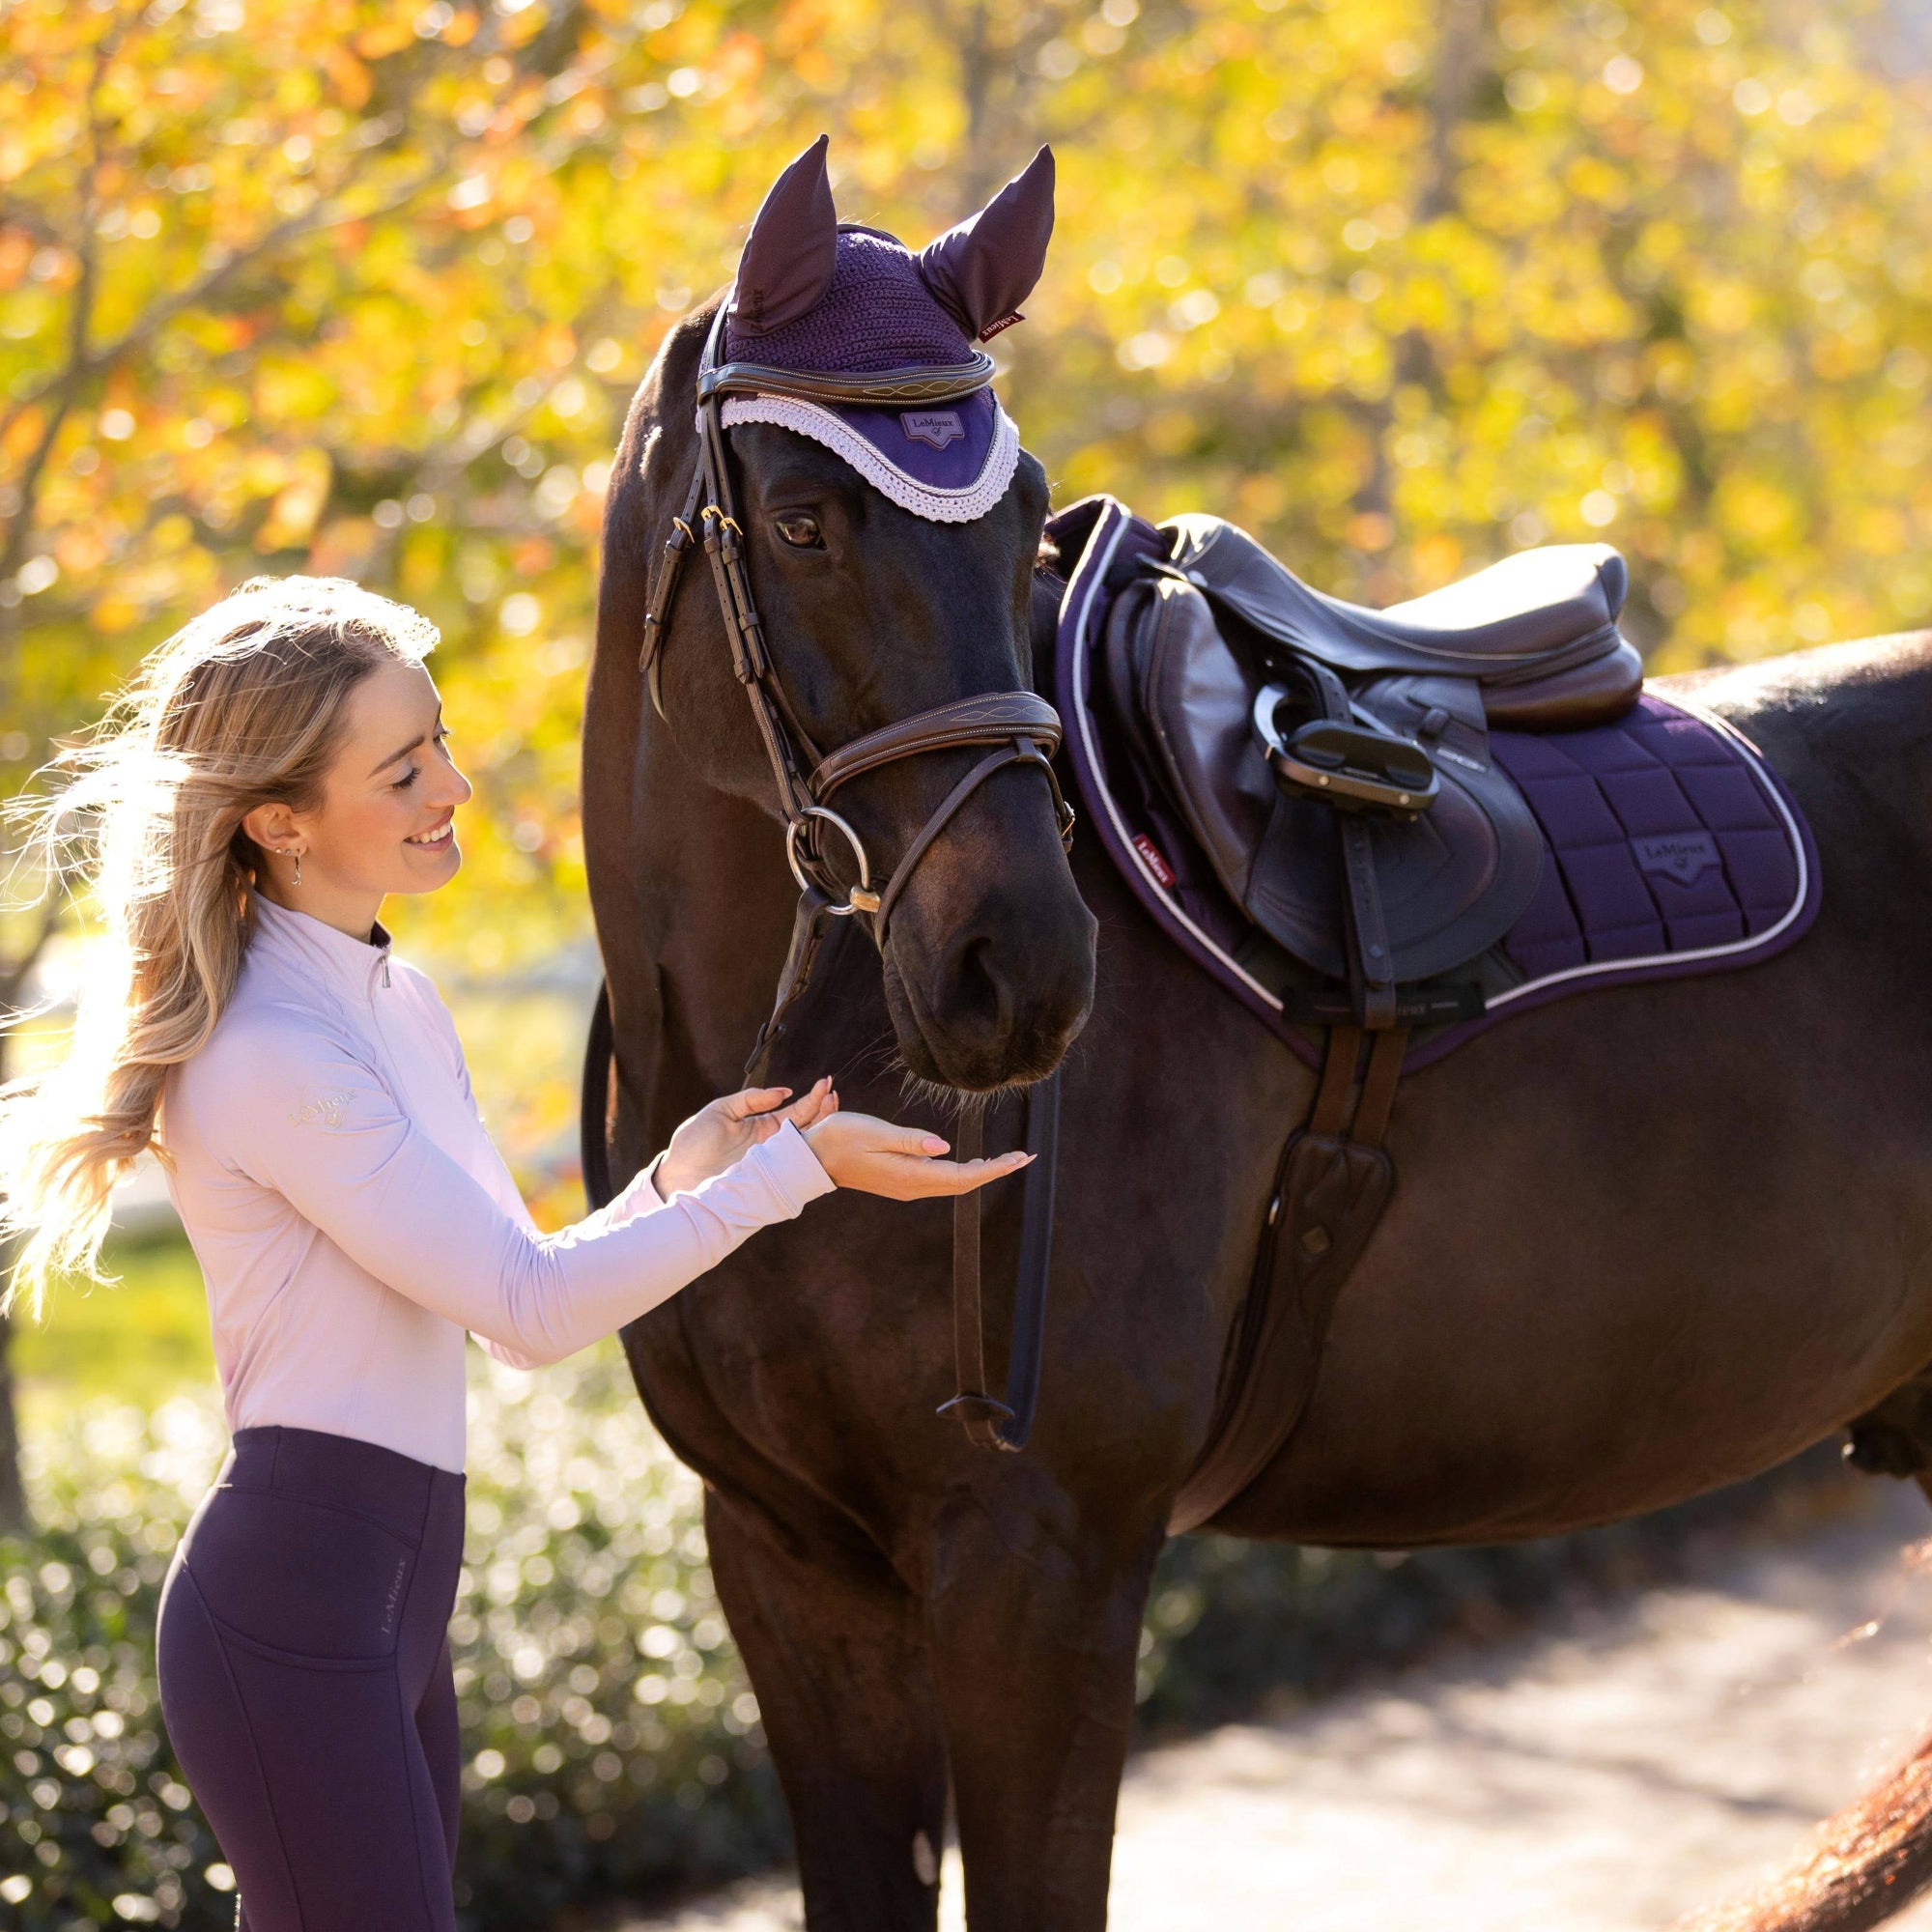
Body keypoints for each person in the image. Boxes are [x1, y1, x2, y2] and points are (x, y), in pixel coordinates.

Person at [0, 576, 1027, 1932]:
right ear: (278, 822)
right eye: (405, 766)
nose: (458, 786)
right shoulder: (271, 1055)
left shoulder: (394, 1001)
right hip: (296, 1601)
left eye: (440, 743)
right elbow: (534, 1314)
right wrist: (789, 1179)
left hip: (390, 1592)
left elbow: (503, 1288)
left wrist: (685, 1171)